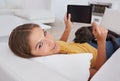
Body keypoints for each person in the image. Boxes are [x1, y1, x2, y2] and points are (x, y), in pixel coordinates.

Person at [9, 14, 108, 80]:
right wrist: (101, 41)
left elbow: (61, 44)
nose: (51, 41)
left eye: (44, 33)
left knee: (84, 30)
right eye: (40, 44)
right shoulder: (70, 65)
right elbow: (99, 73)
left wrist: (68, 28)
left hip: (78, 43)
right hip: (98, 50)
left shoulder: (50, 49)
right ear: (31, 56)